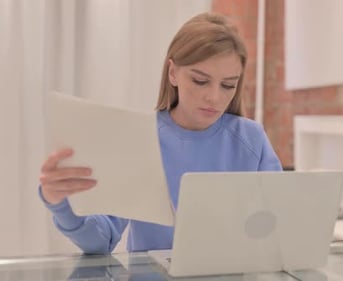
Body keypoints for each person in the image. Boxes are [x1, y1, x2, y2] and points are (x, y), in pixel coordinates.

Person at [39, 12, 282, 254]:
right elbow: (102, 240)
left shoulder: (252, 140)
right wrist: (60, 204)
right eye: (200, 81)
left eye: (228, 84)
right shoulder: (141, 138)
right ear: (173, 73)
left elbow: (280, 230)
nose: (214, 97)